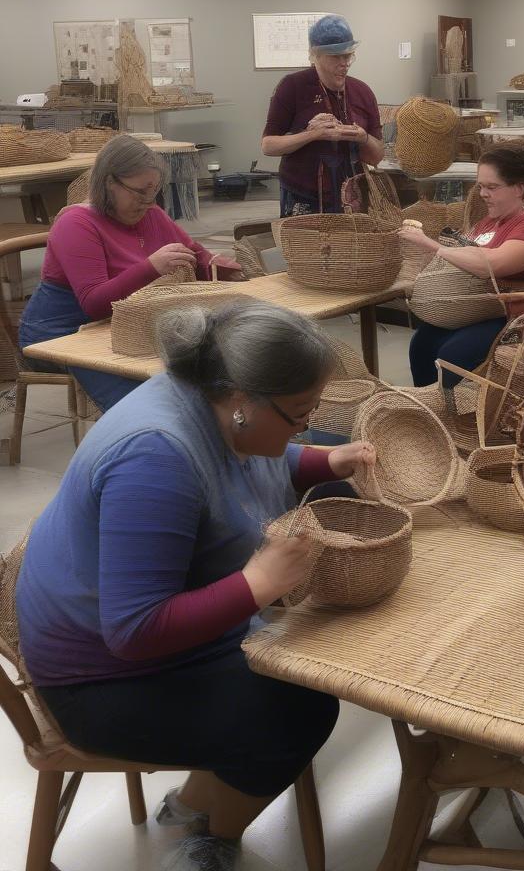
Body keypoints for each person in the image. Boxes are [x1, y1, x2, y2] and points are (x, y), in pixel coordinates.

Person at [16, 301, 376, 871]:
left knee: (338, 493)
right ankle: (212, 836)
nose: (304, 424)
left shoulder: (208, 397)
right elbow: (133, 632)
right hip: (101, 679)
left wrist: (324, 459)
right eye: (299, 411)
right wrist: (257, 584)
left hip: (139, 639)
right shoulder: (155, 456)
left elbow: (262, 453)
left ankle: (193, 801)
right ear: (242, 403)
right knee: (300, 710)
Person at [17, 135, 242, 411]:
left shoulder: (151, 213)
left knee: (216, 365)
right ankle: (155, 438)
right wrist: (151, 267)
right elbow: (94, 304)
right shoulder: (76, 223)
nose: (148, 202)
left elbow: (195, 254)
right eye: (139, 192)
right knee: (150, 401)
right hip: (61, 334)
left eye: (153, 192)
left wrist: (217, 266)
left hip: (121, 327)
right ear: (109, 183)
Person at [398, 142, 524, 388]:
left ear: (519, 188)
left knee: (452, 356)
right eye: (481, 187)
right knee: (422, 344)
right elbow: (460, 260)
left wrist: (431, 244)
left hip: (517, 317)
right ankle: (432, 412)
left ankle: (456, 417)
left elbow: (490, 266)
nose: (483, 194)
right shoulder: (488, 222)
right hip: (480, 309)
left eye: (492, 187)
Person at [261, 15, 385, 216]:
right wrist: (312, 135)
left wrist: (363, 138)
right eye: (335, 57)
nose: (344, 64)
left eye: (348, 56)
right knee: (305, 247)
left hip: (352, 194)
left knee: (349, 247)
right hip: (302, 194)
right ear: (315, 56)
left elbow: (377, 156)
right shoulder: (292, 87)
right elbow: (268, 146)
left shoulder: (362, 92)